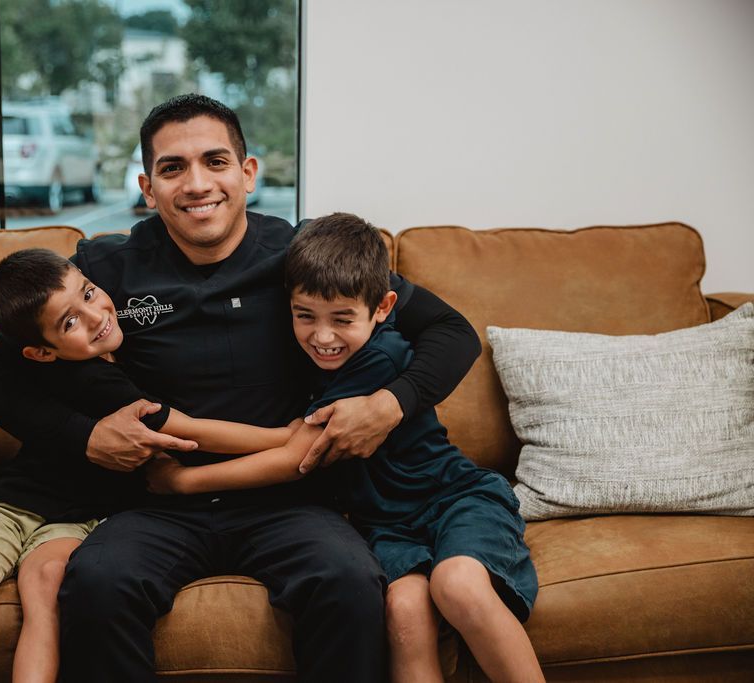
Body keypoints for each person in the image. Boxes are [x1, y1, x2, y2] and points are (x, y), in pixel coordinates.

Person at [0, 94, 482, 682]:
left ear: (247, 172)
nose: (196, 184)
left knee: (348, 579)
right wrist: (85, 438)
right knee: (97, 582)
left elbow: (452, 330)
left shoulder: (301, 255)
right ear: (147, 186)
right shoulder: (107, 272)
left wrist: (389, 405)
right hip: (157, 502)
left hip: (289, 498)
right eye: (172, 168)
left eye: (215, 161)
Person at [0, 248, 300, 683]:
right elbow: (190, 429)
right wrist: (286, 437)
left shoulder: (119, 353)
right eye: (69, 322)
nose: (95, 316)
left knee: (47, 596)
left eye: (88, 294)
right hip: (8, 504)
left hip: (79, 520)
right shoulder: (90, 379)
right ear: (41, 352)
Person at [146, 212, 543, 683]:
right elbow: (290, 434)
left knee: (456, 584)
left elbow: (299, 454)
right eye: (305, 316)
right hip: (386, 524)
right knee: (404, 609)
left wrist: (182, 479)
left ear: (382, 307)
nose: (323, 336)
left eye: (342, 319)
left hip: (453, 498)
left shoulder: (380, 356)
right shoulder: (312, 355)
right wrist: (176, 421)